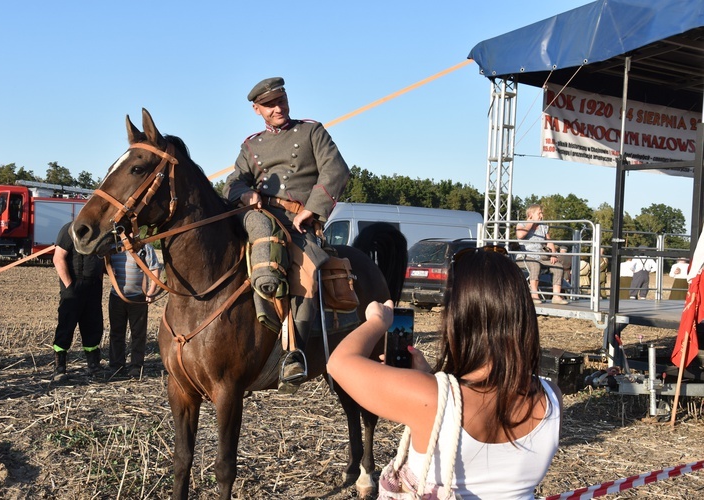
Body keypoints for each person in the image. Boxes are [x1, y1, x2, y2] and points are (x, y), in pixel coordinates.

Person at [327, 247, 562, 498]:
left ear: (459, 318)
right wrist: (429, 377)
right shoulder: (552, 397)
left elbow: (338, 363)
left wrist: (378, 321)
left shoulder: (430, 397)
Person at [223, 76, 350, 391]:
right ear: (257, 110)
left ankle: (295, 354)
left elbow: (336, 170)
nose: (278, 108)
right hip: (259, 216)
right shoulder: (251, 145)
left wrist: (312, 209)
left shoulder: (311, 132)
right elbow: (233, 182)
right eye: (269, 105)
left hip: (298, 223)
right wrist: (244, 194)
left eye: (281, 101)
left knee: (306, 273)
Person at [51, 221, 105, 381]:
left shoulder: (100, 231)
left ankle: (93, 365)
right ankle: (59, 368)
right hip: (74, 285)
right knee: (66, 326)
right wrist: (69, 287)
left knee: (93, 326)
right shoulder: (69, 230)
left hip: (94, 286)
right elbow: (58, 258)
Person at [107, 243, 160, 378]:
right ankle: (116, 366)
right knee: (116, 333)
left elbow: (154, 269)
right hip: (116, 297)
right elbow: (105, 264)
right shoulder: (112, 246)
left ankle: (136, 367)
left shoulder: (145, 247)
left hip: (138, 298)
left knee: (138, 334)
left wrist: (151, 291)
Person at [516, 204, 569, 304]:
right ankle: (534, 295)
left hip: (541, 256)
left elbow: (549, 242)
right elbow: (520, 235)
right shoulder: (521, 224)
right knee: (535, 265)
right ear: (531, 214)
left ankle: (556, 296)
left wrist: (553, 254)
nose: (541, 215)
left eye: (542, 213)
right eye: (539, 213)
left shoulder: (543, 226)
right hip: (525, 256)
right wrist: (531, 223)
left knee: (558, 266)